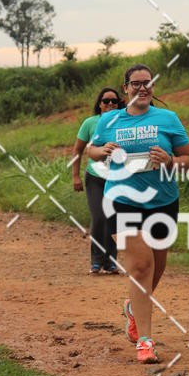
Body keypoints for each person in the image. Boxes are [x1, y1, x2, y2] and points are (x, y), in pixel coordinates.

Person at [87, 64, 189, 364]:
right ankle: (145, 342)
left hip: (162, 201)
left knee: (157, 267)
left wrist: (171, 161)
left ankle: (133, 309)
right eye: (136, 83)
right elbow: (92, 151)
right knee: (141, 266)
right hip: (121, 199)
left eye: (147, 83)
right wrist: (103, 151)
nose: (142, 88)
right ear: (125, 89)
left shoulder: (168, 119)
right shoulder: (110, 120)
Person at [72, 87, 124, 274]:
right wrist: (75, 175)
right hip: (95, 177)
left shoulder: (124, 121)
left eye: (114, 101)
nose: (110, 104)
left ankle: (110, 262)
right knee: (99, 217)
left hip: (118, 178)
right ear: (99, 104)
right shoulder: (90, 123)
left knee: (112, 219)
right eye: (106, 101)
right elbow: (77, 150)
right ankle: (96, 260)